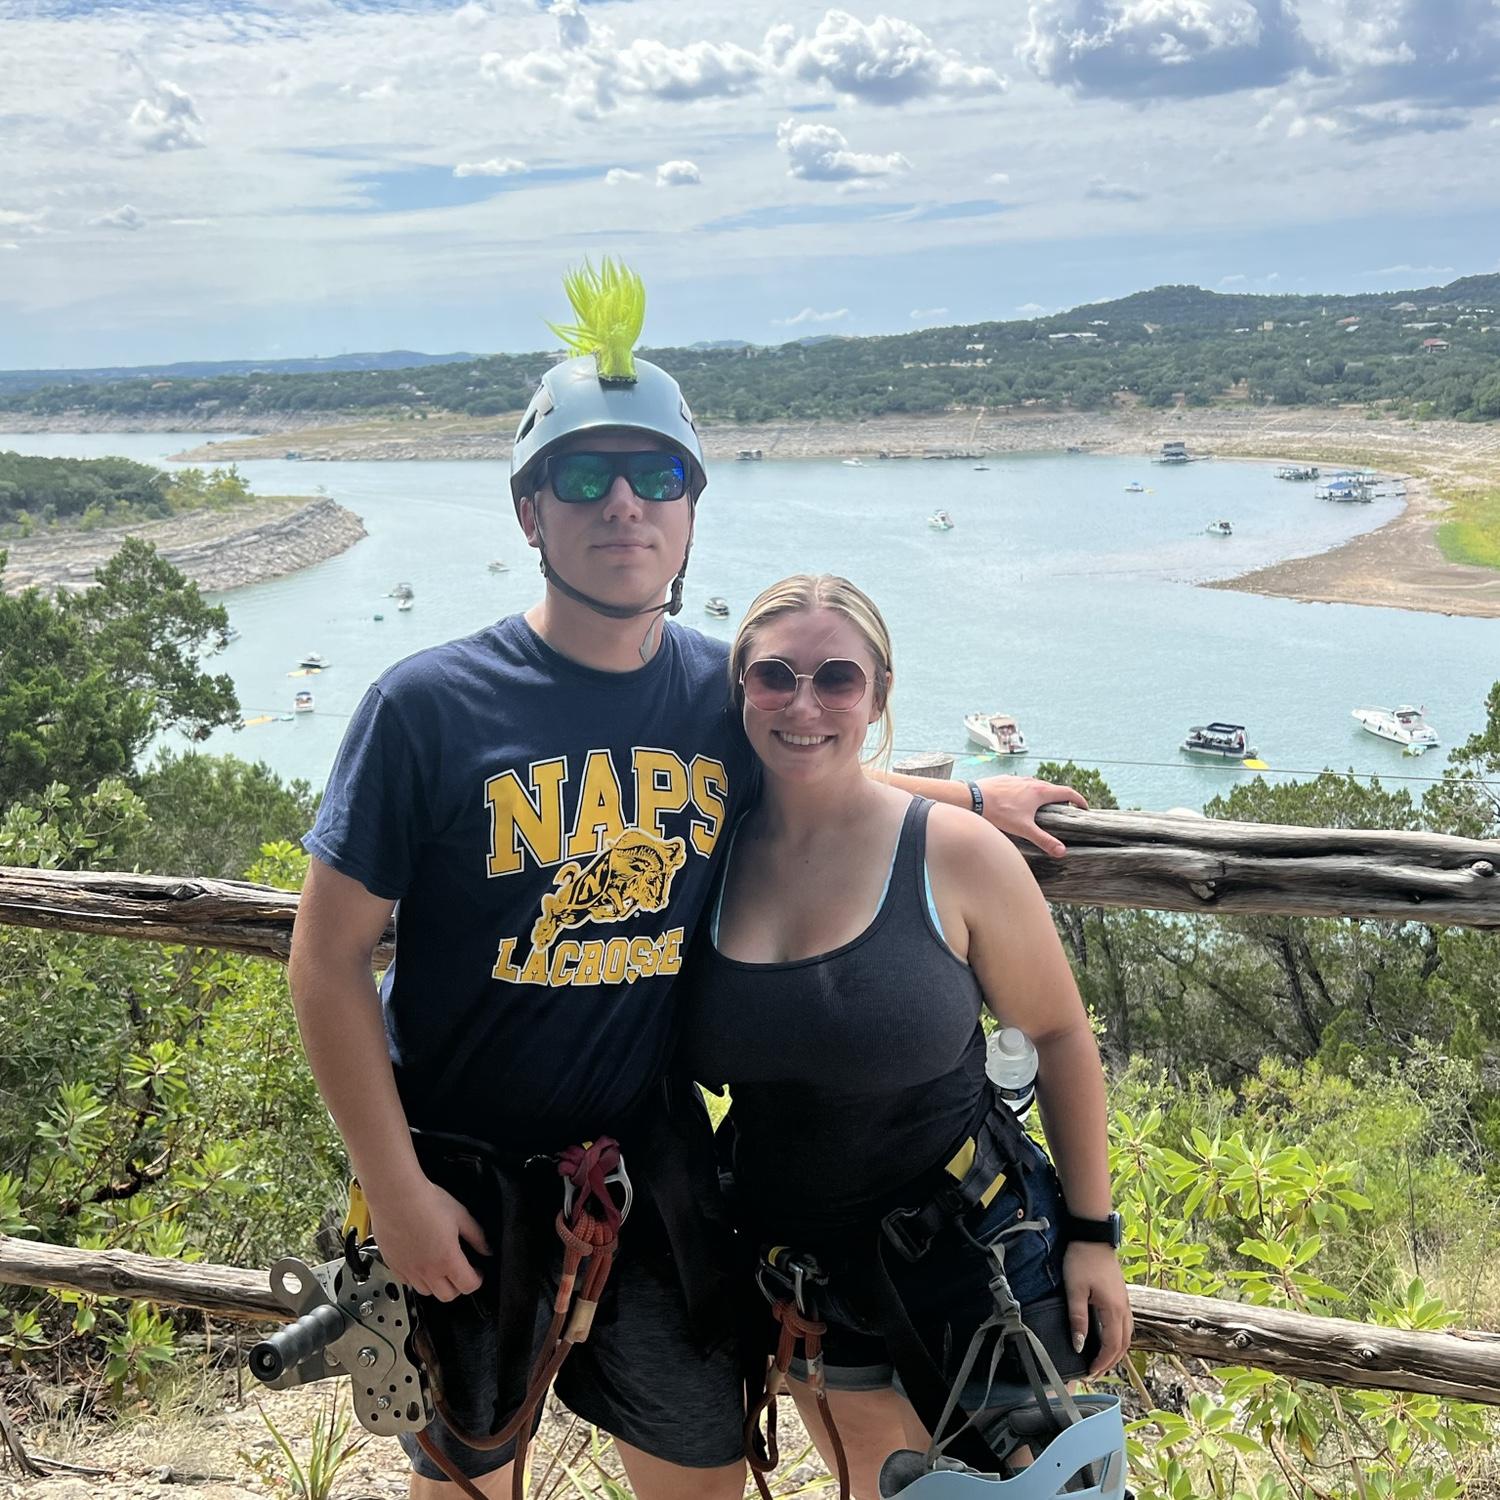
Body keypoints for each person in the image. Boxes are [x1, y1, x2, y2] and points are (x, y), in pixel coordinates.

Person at [287, 262, 1087, 1500]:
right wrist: (392, 1188)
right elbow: (328, 958)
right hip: (459, 1165)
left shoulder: (721, 690)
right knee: (465, 1477)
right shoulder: (427, 707)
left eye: (657, 476)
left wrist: (972, 799)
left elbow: (821, 761)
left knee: (701, 1474)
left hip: (650, 1172)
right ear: (528, 511)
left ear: (693, 513)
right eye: (583, 477)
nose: (623, 505)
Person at [680, 573, 1132, 1500]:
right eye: (775, 676)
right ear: (742, 693)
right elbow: (811, 762)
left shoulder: (954, 855)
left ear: (878, 694)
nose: (804, 703)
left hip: (976, 1258)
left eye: (837, 679)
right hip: (801, 1275)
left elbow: (1055, 1034)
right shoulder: (707, 853)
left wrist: (1094, 1234)